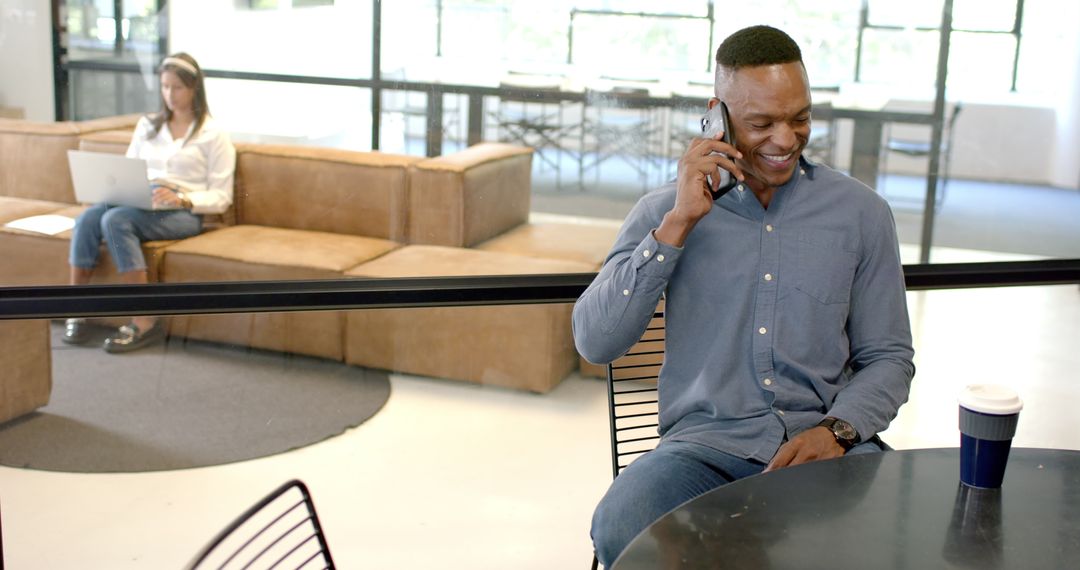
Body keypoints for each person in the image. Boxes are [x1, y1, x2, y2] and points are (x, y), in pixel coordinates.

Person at [573, 25, 915, 566]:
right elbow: (595, 341)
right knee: (622, 524)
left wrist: (838, 429)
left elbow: (889, 358)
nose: (785, 139)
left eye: (799, 118)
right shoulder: (664, 213)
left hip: (825, 450)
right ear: (718, 116)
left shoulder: (861, 214)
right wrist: (677, 225)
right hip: (701, 452)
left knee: (893, 542)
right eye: (762, 123)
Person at [63, 52, 236, 353]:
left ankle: (144, 320)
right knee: (89, 218)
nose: (169, 94)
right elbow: (129, 168)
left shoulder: (214, 134)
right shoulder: (148, 126)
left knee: (115, 221)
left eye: (177, 87)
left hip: (184, 212)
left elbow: (222, 197)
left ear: (195, 88)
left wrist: (182, 198)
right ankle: (74, 307)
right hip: (141, 198)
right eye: (165, 87)